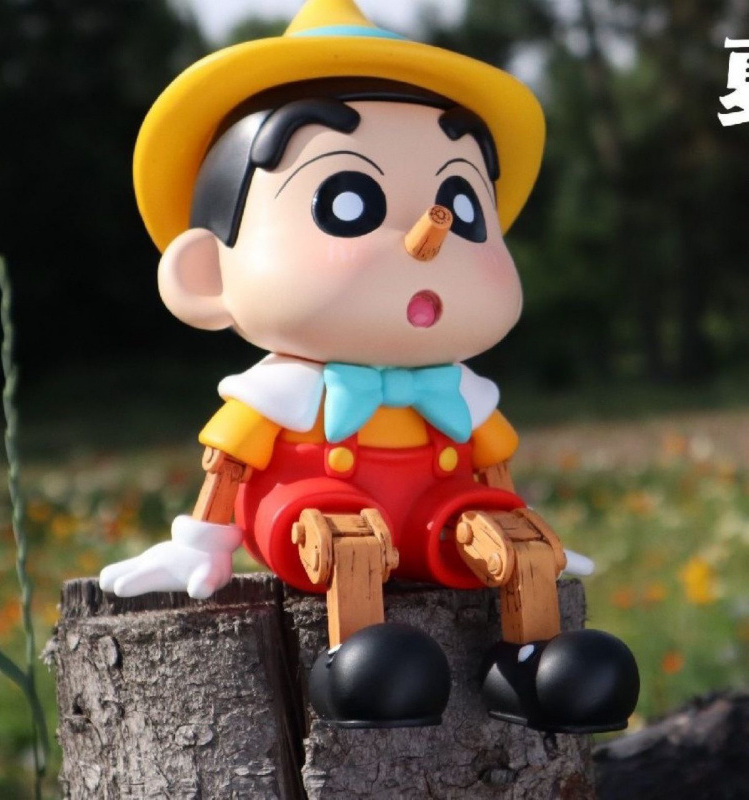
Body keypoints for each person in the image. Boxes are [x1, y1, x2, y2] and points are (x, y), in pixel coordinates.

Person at [100, 0, 639, 732]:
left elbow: (492, 467)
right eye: (348, 203)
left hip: (438, 512)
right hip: (315, 509)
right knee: (350, 545)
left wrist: (523, 525)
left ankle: (534, 661)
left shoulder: (461, 391)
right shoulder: (281, 392)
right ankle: (359, 661)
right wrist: (200, 544)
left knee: (518, 542)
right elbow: (228, 467)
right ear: (206, 273)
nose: (428, 237)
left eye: (461, 203)